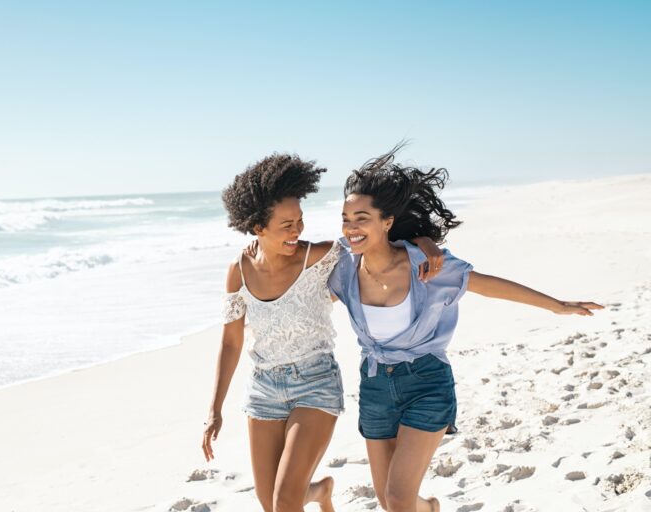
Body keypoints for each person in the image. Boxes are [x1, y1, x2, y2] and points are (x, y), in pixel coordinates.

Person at [329, 146, 603, 512]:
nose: (351, 228)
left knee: (396, 500)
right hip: (375, 386)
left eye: (361, 217)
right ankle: (432, 508)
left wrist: (556, 305)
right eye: (346, 218)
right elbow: (295, 278)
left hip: (425, 383)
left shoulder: (428, 268)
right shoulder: (342, 268)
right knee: (391, 499)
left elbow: (488, 285)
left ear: (387, 222)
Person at [201, 153, 441, 512]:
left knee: (284, 502)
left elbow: (377, 239)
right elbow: (231, 341)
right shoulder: (239, 270)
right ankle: (320, 492)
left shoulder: (322, 257)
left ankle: (306, 495)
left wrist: (424, 242)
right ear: (257, 227)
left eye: (299, 221)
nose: (297, 231)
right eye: (286, 225)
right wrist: (214, 409)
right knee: (271, 503)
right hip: (263, 390)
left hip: (316, 383)